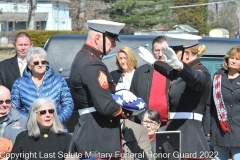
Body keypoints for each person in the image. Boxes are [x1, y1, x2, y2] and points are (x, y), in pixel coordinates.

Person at [69, 19, 138, 158]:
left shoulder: (85, 58)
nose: (114, 45)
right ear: (97, 38)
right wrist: (131, 110)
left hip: (93, 136)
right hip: (98, 138)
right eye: (111, 40)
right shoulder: (92, 64)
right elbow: (106, 106)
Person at [138, 33, 211, 159]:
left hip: (189, 137)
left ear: (186, 54)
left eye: (172, 52)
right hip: (175, 133)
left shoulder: (200, 71)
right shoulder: (181, 73)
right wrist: (154, 62)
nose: (166, 56)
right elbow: (170, 72)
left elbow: (197, 80)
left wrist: (180, 66)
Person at [11, 47, 73, 131]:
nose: (40, 65)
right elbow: (15, 108)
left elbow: (68, 105)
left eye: (43, 62)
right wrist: (33, 121)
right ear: (29, 65)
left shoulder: (58, 80)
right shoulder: (19, 83)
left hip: (56, 129)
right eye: (36, 63)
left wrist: (55, 120)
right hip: (31, 130)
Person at [204, 46, 240, 160]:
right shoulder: (218, 77)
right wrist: (207, 128)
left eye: (238, 59)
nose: (234, 61)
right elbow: (210, 104)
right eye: (232, 58)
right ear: (227, 59)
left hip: (238, 130)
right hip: (219, 129)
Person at [130, 36, 170, 130]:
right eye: (157, 50)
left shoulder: (175, 71)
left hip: (167, 125)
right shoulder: (140, 71)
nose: (160, 54)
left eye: (163, 50)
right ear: (152, 50)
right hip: (144, 125)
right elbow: (133, 97)